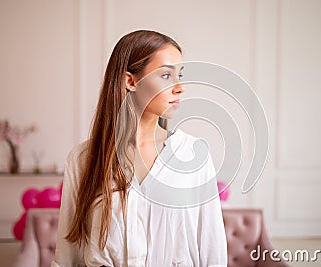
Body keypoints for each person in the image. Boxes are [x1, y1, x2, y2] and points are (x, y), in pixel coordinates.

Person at [51, 30, 228, 267]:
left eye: (180, 75)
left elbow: (212, 250)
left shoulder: (193, 154)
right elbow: (67, 255)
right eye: (166, 75)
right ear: (131, 81)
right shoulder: (83, 159)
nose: (180, 88)